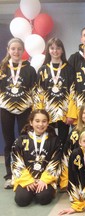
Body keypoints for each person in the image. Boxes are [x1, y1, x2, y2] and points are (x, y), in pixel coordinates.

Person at [0, 38, 37, 189]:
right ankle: (9, 176)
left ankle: (25, 174)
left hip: (25, 109)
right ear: (8, 50)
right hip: (6, 109)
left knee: (25, 142)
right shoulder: (2, 68)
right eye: (13, 49)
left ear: (23, 51)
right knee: (9, 143)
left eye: (19, 49)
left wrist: (34, 109)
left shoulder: (29, 68)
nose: (16, 52)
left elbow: (34, 90)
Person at [11, 109, 62, 206]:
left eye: (44, 121)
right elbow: (16, 161)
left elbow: (56, 161)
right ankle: (29, 190)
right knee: (22, 200)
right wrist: (28, 180)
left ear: (48, 123)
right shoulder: (21, 139)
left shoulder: (55, 141)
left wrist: (44, 180)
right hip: (27, 178)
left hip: (45, 179)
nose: (40, 124)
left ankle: (39, 190)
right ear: (31, 122)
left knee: (43, 198)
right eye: (37, 121)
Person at [35, 37, 74, 144]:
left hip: (64, 111)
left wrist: (71, 113)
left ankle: (61, 160)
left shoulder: (69, 69)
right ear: (48, 50)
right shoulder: (43, 69)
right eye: (52, 48)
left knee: (63, 141)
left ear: (62, 50)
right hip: (47, 111)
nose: (55, 51)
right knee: (47, 141)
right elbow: (39, 93)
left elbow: (73, 92)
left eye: (58, 48)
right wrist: (40, 112)